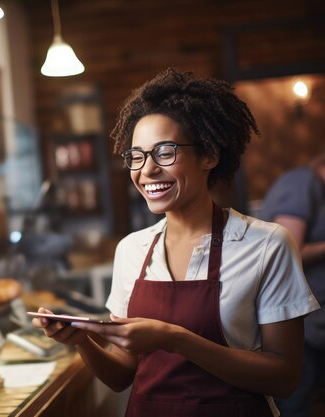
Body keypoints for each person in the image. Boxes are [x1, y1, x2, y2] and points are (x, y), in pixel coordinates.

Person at [31, 68, 320, 417]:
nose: (146, 170)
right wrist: (82, 342)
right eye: (136, 156)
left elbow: (284, 378)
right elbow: (123, 375)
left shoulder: (267, 245)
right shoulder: (131, 250)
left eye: (164, 152)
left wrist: (175, 339)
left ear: (209, 155)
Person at [259, 153, 325, 417]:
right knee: (294, 406)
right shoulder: (303, 181)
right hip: (302, 327)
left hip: (315, 324)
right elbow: (290, 250)